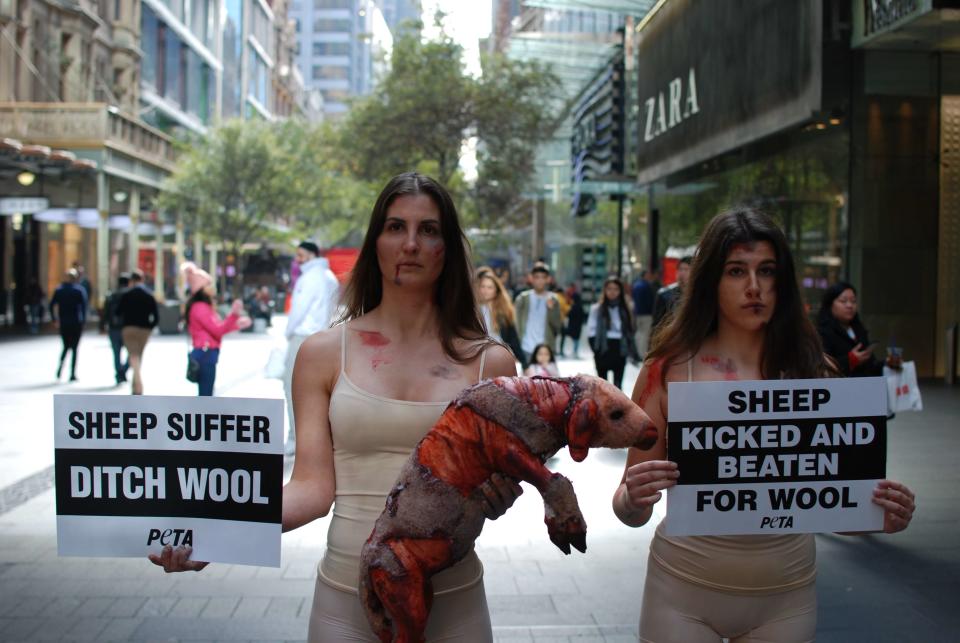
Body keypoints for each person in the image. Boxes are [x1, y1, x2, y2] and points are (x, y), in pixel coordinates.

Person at [150, 172, 521, 642]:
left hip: (453, 602)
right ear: (375, 243)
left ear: (448, 248)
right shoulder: (323, 353)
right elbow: (310, 487)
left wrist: (500, 491)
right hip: (348, 600)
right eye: (394, 227)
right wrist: (219, 531)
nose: (410, 243)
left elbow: (507, 479)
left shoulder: (491, 361)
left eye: (428, 230)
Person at [611, 208, 916, 642]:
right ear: (712, 280)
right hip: (680, 593)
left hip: (785, 599)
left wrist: (880, 514)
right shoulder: (668, 371)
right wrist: (634, 498)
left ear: (783, 282)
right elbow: (628, 507)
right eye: (737, 271)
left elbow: (834, 507)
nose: (754, 287)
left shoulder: (816, 374)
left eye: (767, 271)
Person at [283, 240, 340, 456]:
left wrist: (288, 333)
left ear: (311, 255)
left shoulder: (308, 278)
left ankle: (295, 439)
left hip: (302, 337)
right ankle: (320, 440)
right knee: (322, 393)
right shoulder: (329, 277)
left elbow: (298, 311)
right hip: (325, 339)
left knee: (291, 388)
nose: (298, 259)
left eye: (300, 255)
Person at [182, 262, 252, 396]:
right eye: (208, 284)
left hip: (205, 352)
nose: (213, 288)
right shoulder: (200, 307)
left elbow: (216, 328)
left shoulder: (200, 306)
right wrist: (234, 315)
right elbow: (217, 330)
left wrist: (237, 324)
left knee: (206, 394)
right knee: (206, 395)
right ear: (202, 288)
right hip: (205, 353)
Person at [816, 281, 900, 376]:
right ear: (830, 305)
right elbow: (822, 369)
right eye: (843, 301)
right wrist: (850, 360)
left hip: (865, 387)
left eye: (853, 301)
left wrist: (887, 363)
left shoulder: (859, 330)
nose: (850, 305)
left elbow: (871, 367)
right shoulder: (823, 332)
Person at [586, 276, 640, 390]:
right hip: (603, 348)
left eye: (616, 289)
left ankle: (617, 408)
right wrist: (596, 349)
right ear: (605, 290)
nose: (612, 292)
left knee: (618, 386)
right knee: (602, 386)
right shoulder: (597, 309)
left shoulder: (626, 309)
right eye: (609, 288)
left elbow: (630, 330)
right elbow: (591, 330)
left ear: (620, 291)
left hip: (620, 348)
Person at [116, 270, 158, 395]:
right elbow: (155, 316)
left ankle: (137, 382)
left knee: (133, 355)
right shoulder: (148, 295)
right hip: (144, 329)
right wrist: (150, 327)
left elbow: (118, 312)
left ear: (131, 281)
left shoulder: (127, 294)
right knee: (138, 355)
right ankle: (137, 384)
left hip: (129, 328)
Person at [514, 263, 563, 368]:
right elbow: (515, 323)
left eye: (543, 277)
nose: (540, 280)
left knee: (544, 382)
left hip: (545, 350)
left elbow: (557, 327)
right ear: (531, 278)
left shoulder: (553, 299)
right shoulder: (522, 298)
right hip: (526, 348)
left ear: (548, 279)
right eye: (537, 277)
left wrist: (551, 310)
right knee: (527, 383)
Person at [476, 268, 523, 362]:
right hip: (478, 356)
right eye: (483, 286)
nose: (485, 290)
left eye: (490, 287)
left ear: (496, 290)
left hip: (499, 356)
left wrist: (524, 362)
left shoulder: (503, 310)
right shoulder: (473, 309)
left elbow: (512, 337)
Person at [50, 269, 87, 381]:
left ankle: (60, 369)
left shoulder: (60, 290)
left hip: (64, 322)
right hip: (76, 322)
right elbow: (84, 308)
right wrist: (83, 321)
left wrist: (54, 319)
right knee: (74, 348)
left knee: (65, 347)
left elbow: (51, 305)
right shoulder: (79, 290)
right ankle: (72, 373)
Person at [100, 273, 130, 384]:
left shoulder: (111, 295)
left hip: (114, 328)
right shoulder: (130, 295)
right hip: (127, 327)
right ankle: (123, 371)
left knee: (116, 353)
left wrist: (102, 325)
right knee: (132, 353)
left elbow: (106, 312)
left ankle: (119, 373)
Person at [651, 256, 692, 332]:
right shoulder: (665, 294)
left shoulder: (699, 295)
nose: (682, 273)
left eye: (686, 269)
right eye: (680, 269)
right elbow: (657, 324)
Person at [630, 268, 655, 358]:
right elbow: (649, 301)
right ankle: (642, 354)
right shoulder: (646, 286)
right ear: (645, 275)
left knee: (639, 333)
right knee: (645, 335)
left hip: (638, 313)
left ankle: (639, 352)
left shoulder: (636, 285)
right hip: (646, 314)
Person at [560, 282, 586, 358]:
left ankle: (570, 351)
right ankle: (575, 352)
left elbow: (569, 314)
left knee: (568, 336)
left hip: (573, 326)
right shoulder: (580, 307)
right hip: (577, 326)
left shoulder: (574, 307)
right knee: (576, 340)